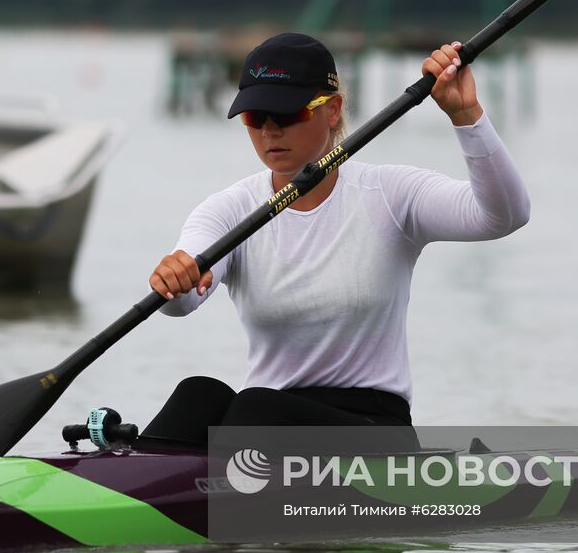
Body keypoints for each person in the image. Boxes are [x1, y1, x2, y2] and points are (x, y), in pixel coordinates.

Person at [140, 32, 530, 447]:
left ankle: (206, 490)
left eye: (285, 114)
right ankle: (127, 488)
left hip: (373, 429)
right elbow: (184, 301)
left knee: (257, 408)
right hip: (265, 425)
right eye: (256, 118)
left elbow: (504, 216)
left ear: (333, 111)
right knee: (197, 394)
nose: (270, 131)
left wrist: (466, 114)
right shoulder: (230, 209)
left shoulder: (391, 194)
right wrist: (175, 279)